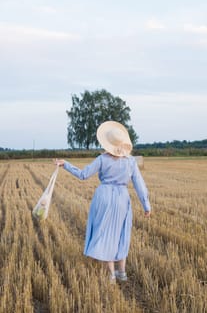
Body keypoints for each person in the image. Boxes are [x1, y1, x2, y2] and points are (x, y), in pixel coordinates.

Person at [55, 121, 151, 284]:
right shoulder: (131, 161)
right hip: (122, 198)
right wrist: (146, 205)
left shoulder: (102, 159)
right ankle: (122, 273)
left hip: (104, 197)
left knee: (106, 234)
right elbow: (139, 184)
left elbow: (83, 175)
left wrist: (66, 164)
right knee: (121, 234)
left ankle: (111, 275)